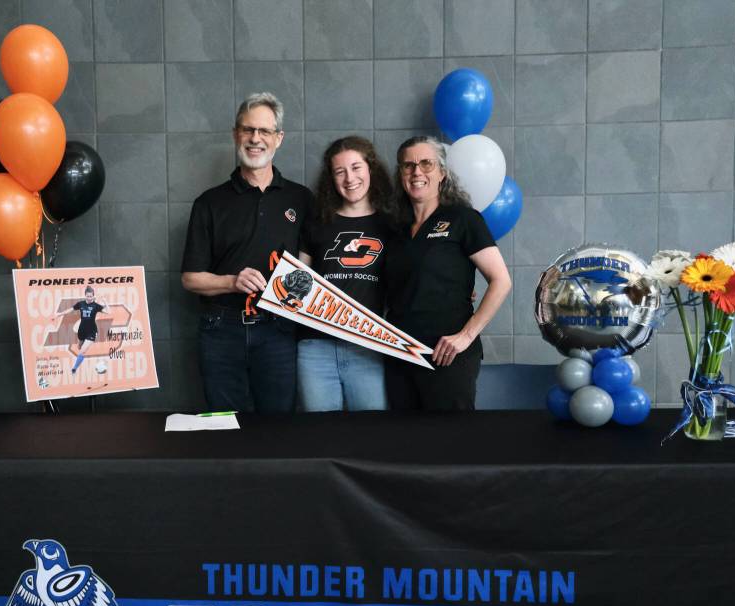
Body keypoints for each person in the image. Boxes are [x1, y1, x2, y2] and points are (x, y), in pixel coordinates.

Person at [180, 93, 314, 413]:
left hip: (278, 330)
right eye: (248, 130)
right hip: (220, 331)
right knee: (225, 428)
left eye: (265, 131)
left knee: (279, 428)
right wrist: (231, 282)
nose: (256, 139)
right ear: (235, 134)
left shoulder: (301, 198)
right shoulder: (209, 203)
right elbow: (190, 279)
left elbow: (308, 262)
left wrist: (295, 281)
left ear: (278, 138)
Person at [384, 136, 512, 410]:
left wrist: (466, 336)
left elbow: (501, 281)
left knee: (449, 446)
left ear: (442, 172)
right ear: (401, 174)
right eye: (408, 166)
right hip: (400, 355)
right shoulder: (394, 228)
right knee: (398, 447)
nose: (417, 172)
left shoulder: (463, 219)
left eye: (426, 163)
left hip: (447, 357)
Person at [296, 136, 395, 411]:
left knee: (371, 437)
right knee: (319, 437)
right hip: (315, 348)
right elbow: (299, 281)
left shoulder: (391, 224)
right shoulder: (317, 222)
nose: (349, 178)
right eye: (340, 171)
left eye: (356, 167)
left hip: (370, 348)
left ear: (370, 169)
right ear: (331, 178)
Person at [52, 286, 107, 375]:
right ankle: (80, 343)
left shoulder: (96, 306)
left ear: (93, 296)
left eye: (91, 296)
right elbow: (70, 310)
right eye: (87, 296)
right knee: (79, 347)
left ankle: (74, 368)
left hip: (92, 332)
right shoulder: (81, 304)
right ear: (85, 295)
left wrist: (105, 302)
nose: (89, 298)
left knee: (82, 352)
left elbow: (109, 311)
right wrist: (60, 314)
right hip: (81, 330)